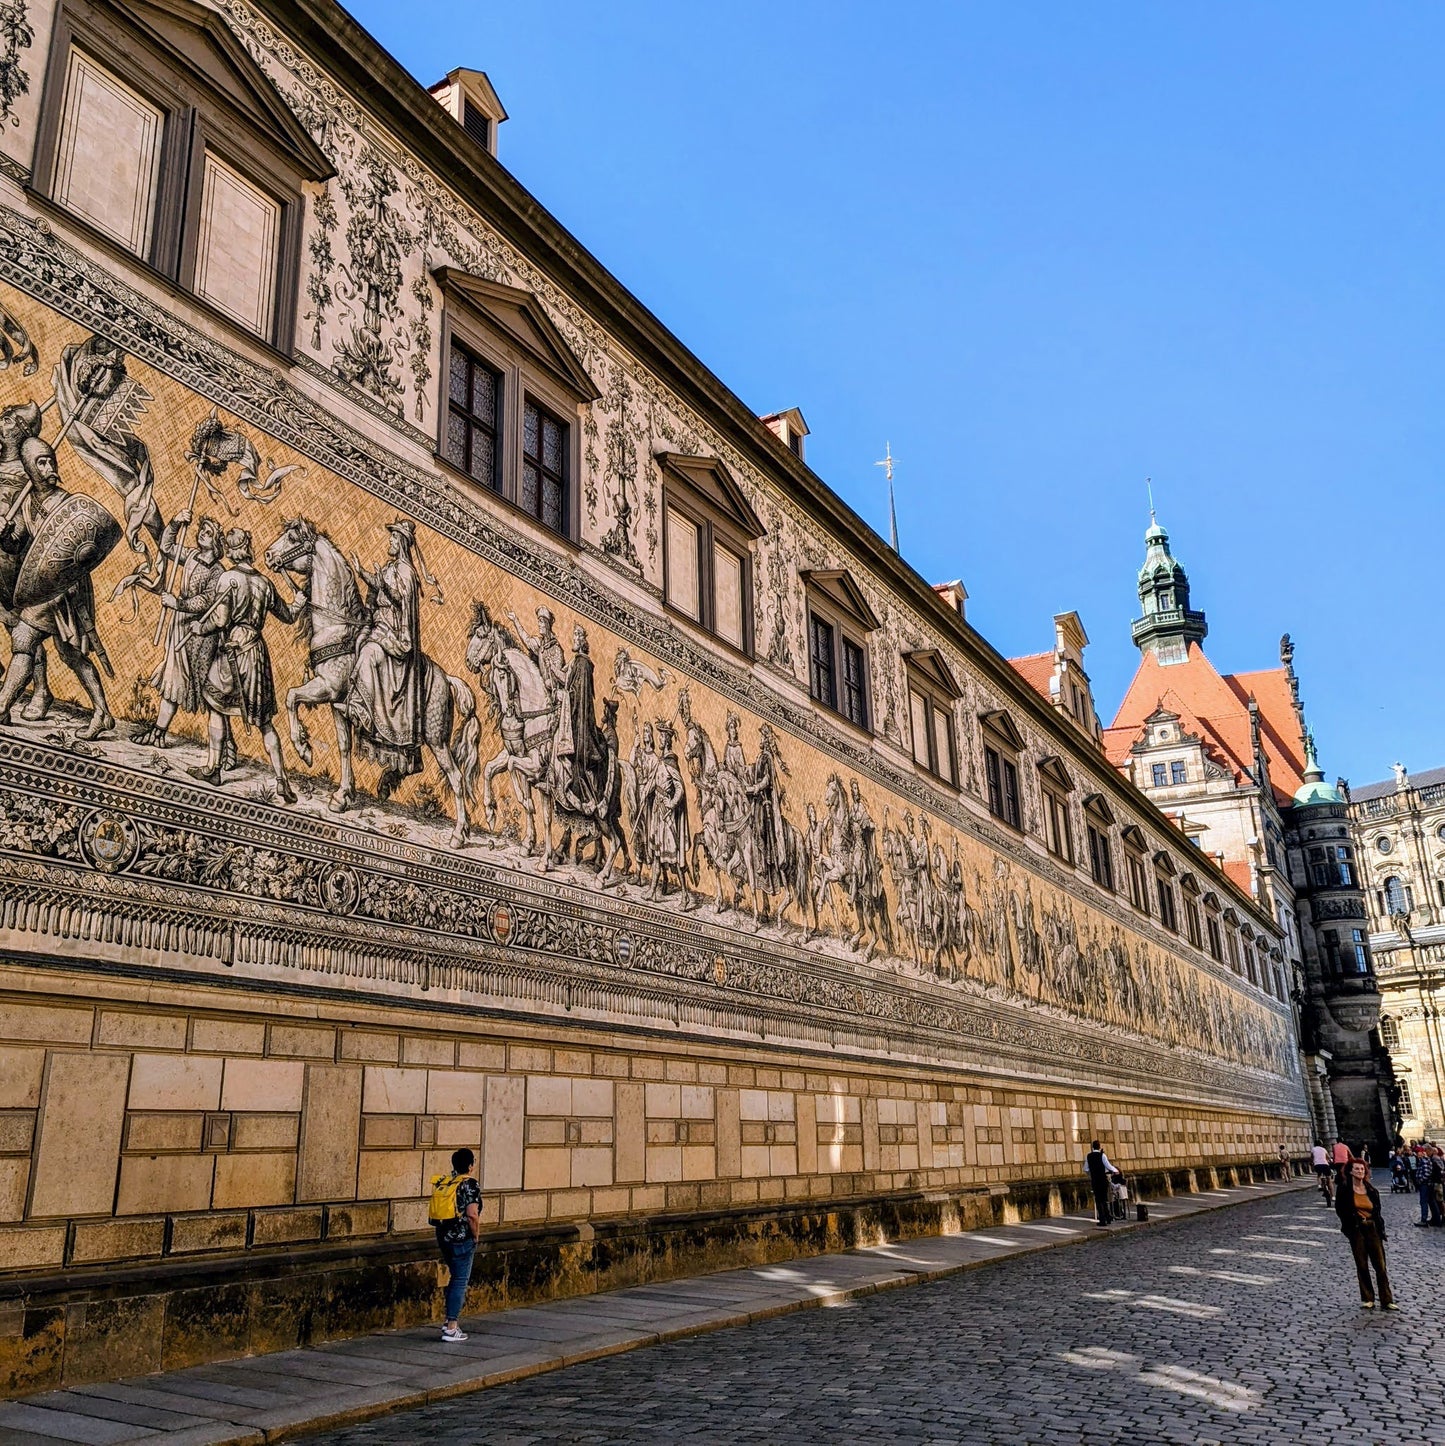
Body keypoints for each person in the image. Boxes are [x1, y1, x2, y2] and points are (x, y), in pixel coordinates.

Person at [432, 1147, 481, 1342]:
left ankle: (448, 1322)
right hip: (462, 1238)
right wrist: (476, 1236)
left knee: (455, 1279)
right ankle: (452, 1326)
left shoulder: (448, 1182)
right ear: (470, 1166)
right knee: (460, 1280)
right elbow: (472, 1214)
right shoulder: (470, 1184)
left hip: (443, 1236)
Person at [1335, 1156, 1395, 1310]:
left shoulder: (1371, 1190)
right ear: (1350, 1171)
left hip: (1372, 1228)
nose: (1360, 1171)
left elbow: (1377, 1211)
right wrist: (1348, 1227)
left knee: (1380, 1265)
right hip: (1356, 1229)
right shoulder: (1344, 1189)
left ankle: (1387, 1299)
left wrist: (1380, 1229)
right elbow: (1340, 1210)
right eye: (1357, 1169)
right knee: (1362, 1264)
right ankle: (1368, 1298)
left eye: (1362, 1169)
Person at [1085, 1139, 1118, 1227]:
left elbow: (1086, 1169)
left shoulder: (1088, 1156)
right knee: (1104, 1199)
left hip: (1095, 1181)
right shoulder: (1102, 1155)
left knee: (1098, 1200)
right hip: (1103, 1180)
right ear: (1099, 1147)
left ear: (1092, 1147)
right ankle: (1108, 1218)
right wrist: (1116, 1170)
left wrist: (1092, 1173)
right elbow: (1108, 1165)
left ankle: (1102, 1219)